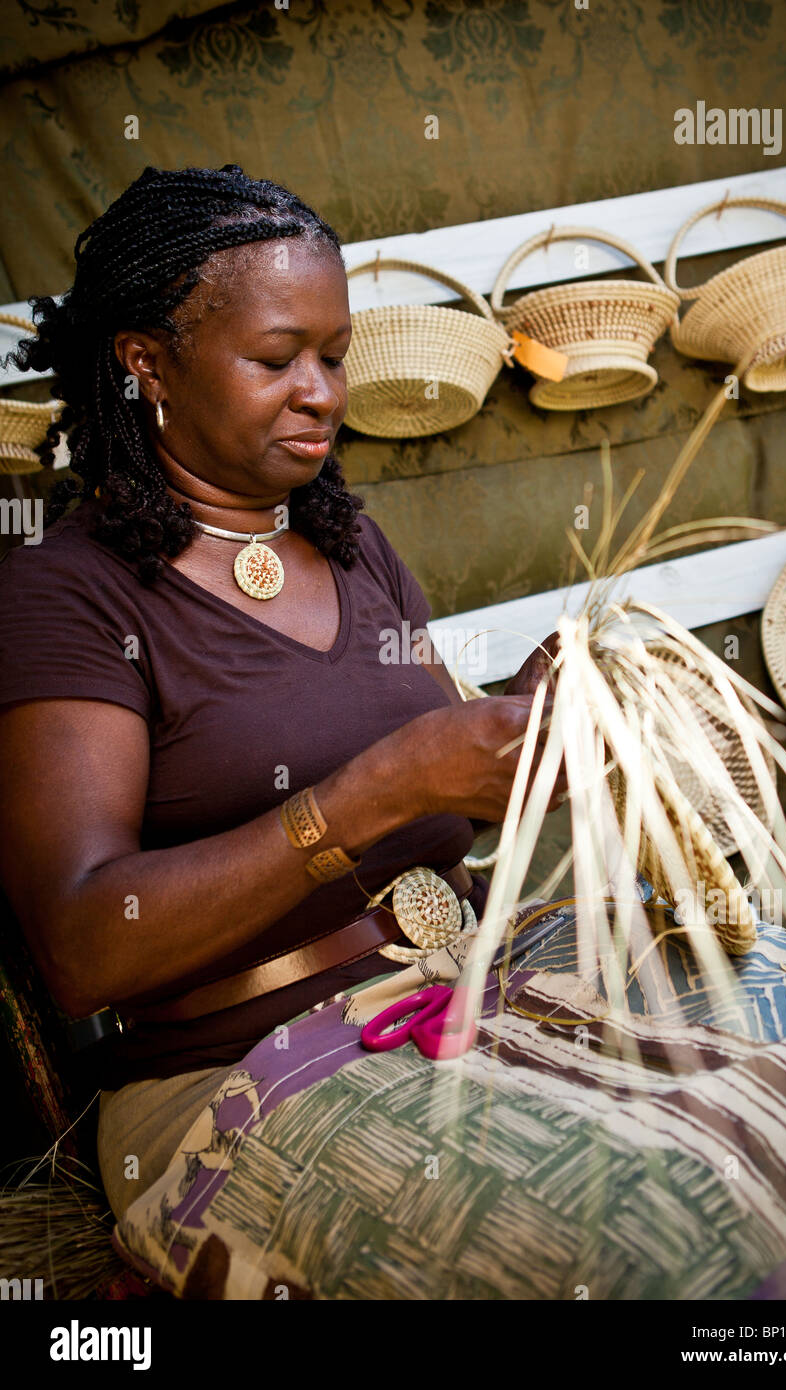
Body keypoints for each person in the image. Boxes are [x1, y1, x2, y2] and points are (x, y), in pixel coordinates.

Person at [0, 164, 564, 1220]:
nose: (322, 391)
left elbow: (447, 791)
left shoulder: (347, 544)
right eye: (276, 358)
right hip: (239, 1083)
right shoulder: (63, 594)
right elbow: (83, 947)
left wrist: (534, 733)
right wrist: (366, 797)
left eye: (334, 355)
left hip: (462, 996)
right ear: (146, 366)